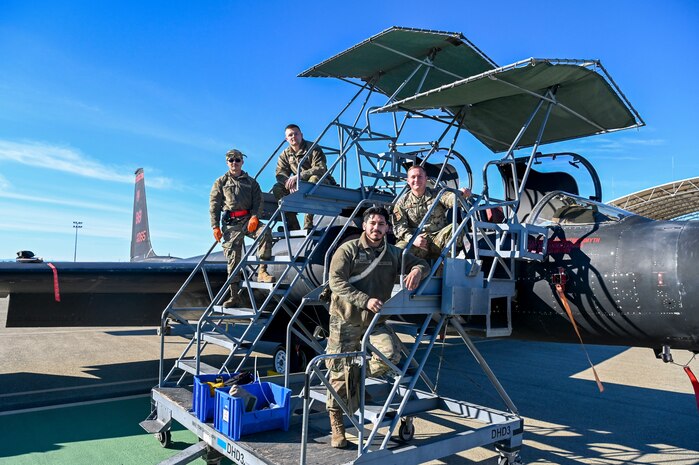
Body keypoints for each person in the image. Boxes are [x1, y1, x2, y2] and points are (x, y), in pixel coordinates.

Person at [325, 206, 429, 448]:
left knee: (390, 356)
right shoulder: (348, 250)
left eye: (381, 224)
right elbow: (335, 281)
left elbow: (421, 263)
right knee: (339, 374)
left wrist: (416, 270)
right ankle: (337, 426)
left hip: (374, 322)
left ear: (387, 228)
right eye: (372, 223)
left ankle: (358, 378)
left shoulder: (393, 253)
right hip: (346, 319)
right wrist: (365, 300)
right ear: (364, 225)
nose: (377, 228)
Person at [210, 149, 274, 308]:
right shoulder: (221, 182)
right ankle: (234, 296)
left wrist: (255, 216)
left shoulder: (251, 182)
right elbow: (214, 205)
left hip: (248, 220)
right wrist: (215, 226)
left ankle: (262, 271)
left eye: (237, 160)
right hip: (231, 223)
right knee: (233, 260)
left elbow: (258, 201)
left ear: (242, 162)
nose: (234, 163)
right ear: (227, 162)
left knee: (265, 232)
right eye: (231, 160)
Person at [393, 164, 473, 260]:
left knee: (455, 227)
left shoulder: (437, 194)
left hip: (438, 240)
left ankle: (443, 266)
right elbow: (399, 226)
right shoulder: (402, 202)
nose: (416, 180)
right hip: (416, 242)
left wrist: (460, 194)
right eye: (413, 177)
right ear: (408, 180)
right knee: (397, 252)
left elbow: (451, 199)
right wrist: (412, 239)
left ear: (426, 179)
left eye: (420, 176)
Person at [272, 124, 336, 231]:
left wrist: (298, 177)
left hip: (321, 182)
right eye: (290, 135)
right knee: (277, 188)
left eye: (296, 134)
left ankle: (308, 224)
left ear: (301, 135)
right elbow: (280, 173)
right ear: (286, 139)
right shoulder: (285, 154)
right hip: (298, 184)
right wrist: (289, 182)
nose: (293, 137)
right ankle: (293, 225)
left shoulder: (313, 148)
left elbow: (320, 168)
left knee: (313, 180)